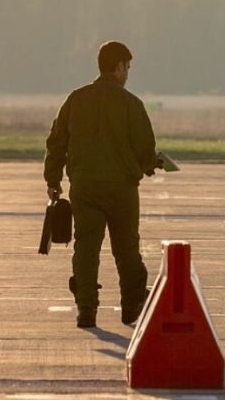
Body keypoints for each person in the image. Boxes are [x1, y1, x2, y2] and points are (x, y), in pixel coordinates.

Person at [44, 41, 157, 328]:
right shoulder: (131, 104)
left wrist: (53, 180)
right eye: (127, 68)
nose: (128, 73)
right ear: (118, 67)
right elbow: (145, 148)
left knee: (86, 246)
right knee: (127, 248)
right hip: (121, 189)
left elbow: (57, 142)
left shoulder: (76, 99)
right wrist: (150, 165)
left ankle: (86, 308)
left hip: (85, 187)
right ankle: (132, 304)